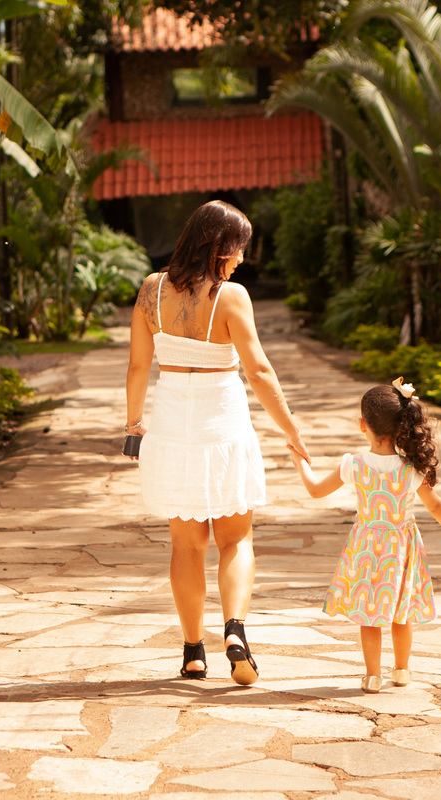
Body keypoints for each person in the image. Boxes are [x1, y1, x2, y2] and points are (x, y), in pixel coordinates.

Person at [125, 200, 310, 686]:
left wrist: (133, 424)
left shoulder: (150, 290)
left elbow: (139, 367)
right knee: (236, 538)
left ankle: (192, 652)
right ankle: (234, 630)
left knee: (186, 547)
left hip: (170, 426)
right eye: (240, 250)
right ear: (220, 249)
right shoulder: (231, 297)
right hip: (221, 425)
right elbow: (259, 370)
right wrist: (291, 429)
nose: (243, 260)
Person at [288, 378, 441, 693]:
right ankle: (401, 671)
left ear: (364, 425)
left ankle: (372, 676)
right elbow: (436, 505)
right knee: (402, 612)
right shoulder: (411, 469)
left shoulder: (354, 465)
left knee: (369, 614)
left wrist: (300, 464)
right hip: (401, 548)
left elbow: (316, 490)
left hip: (366, 547)